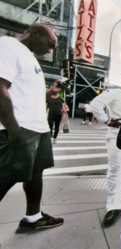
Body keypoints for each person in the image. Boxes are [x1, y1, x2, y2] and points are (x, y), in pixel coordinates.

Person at [0, 23, 66, 232]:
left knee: (35, 173)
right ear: (34, 33)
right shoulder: (8, 45)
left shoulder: (30, 57)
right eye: (50, 44)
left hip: (38, 128)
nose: (50, 50)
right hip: (21, 128)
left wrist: (52, 90)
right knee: (5, 177)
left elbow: (29, 93)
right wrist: (13, 129)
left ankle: (33, 217)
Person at [90, 73, 121, 227]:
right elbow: (95, 104)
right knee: (115, 170)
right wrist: (107, 120)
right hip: (115, 136)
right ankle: (113, 206)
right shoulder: (115, 92)